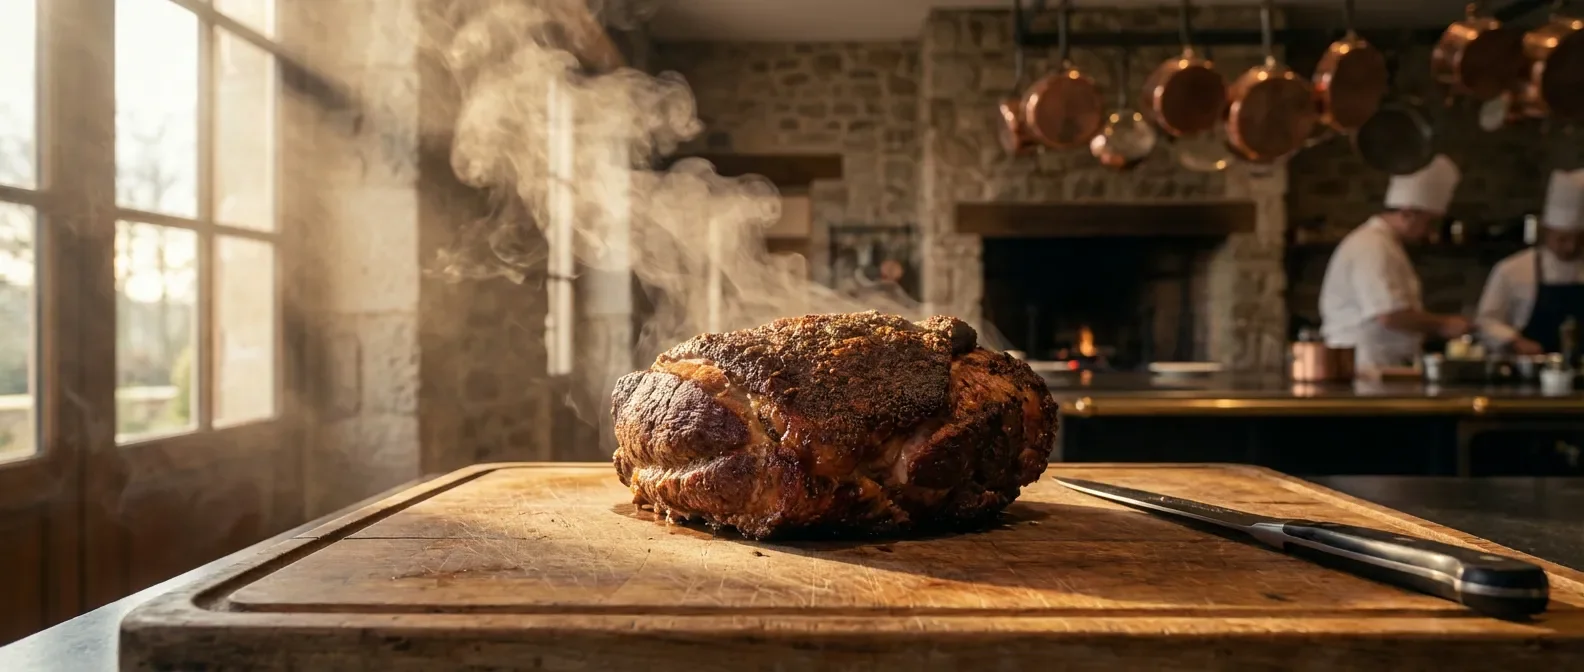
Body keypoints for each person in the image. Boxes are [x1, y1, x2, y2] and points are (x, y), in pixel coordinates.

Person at [1319, 154, 1473, 377]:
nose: (1430, 232)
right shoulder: (1372, 245)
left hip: (1384, 365)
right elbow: (1388, 314)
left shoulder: (1387, 244)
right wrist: (1443, 324)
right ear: (1408, 214)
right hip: (1368, 367)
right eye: (1428, 222)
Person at [1475, 168, 1584, 356]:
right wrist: (1514, 340)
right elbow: (1486, 321)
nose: (1571, 247)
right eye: (1563, 239)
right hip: (1528, 370)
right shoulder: (1512, 269)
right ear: (1546, 231)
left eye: (1580, 239)